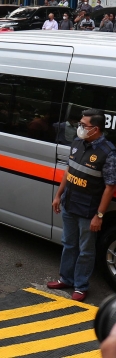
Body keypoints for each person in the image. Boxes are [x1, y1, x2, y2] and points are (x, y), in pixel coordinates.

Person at [47, 109, 116, 302]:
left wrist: (99, 215)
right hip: (69, 204)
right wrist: (58, 195)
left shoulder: (107, 153)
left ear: (95, 129)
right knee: (69, 244)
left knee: (86, 250)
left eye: (83, 125)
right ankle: (65, 279)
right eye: (80, 124)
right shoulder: (77, 143)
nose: (80, 128)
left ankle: (80, 286)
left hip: (88, 211)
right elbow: (69, 171)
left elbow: (110, 187)